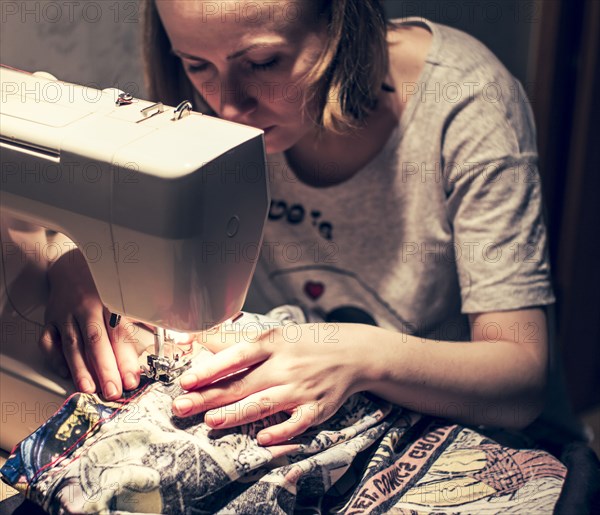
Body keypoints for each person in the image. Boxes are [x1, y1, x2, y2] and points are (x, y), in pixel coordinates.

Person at [39, 0, 579, 451]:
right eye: (198, 65)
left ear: (344, 23)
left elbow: (518, 377)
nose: (227, 106)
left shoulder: (466, 104)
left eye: (265, 62)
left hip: (481, 436)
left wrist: (364, 354)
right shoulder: (203, 90)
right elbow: (107, 189)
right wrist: (71, 253)